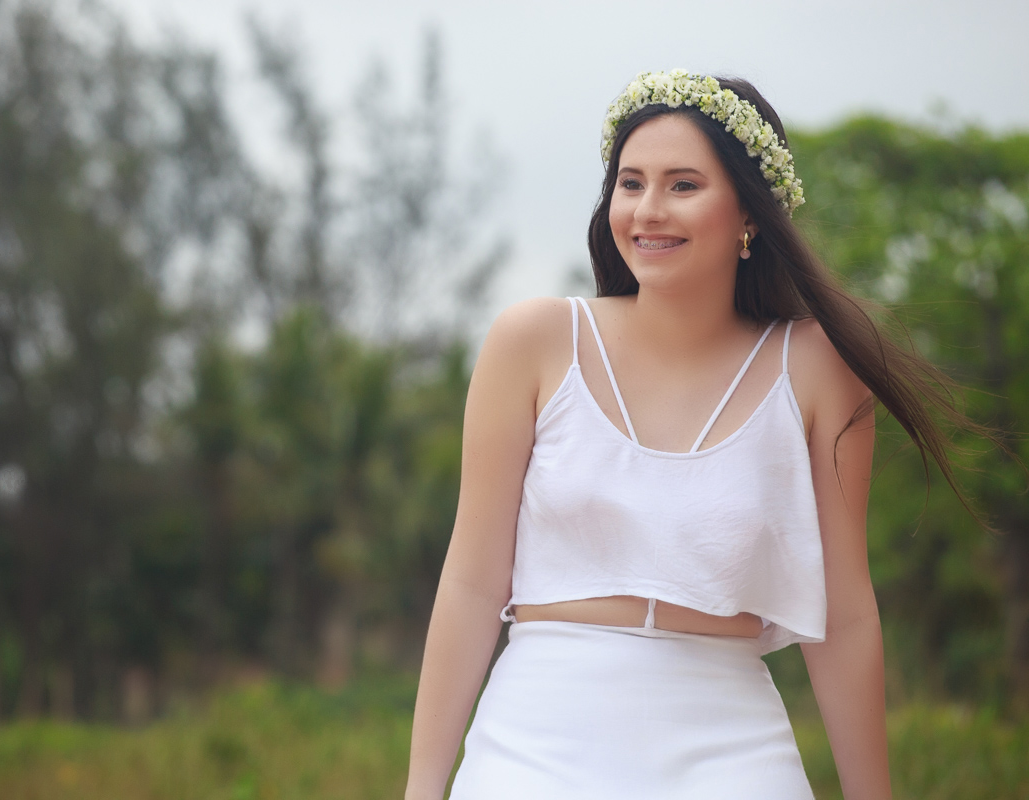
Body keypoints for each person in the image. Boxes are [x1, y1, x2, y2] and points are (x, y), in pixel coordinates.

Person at [404, 70, 970, 800]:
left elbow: (848, 612)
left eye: (682, 185)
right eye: (631, 182)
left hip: (733, 754)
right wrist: (423, 787)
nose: (647, 210)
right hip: (534, 742)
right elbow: (473, 583)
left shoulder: (820, 365)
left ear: (751, 215)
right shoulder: (535, 341)